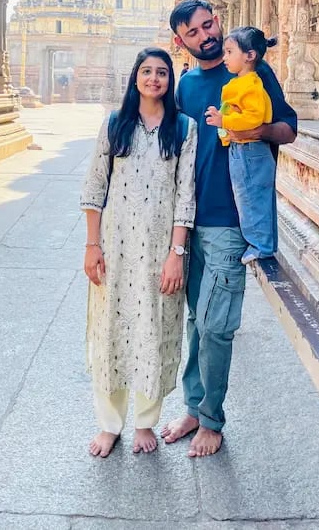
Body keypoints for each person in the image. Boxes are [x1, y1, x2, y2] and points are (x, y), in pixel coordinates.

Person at [161, 0, 297, 457]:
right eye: (194, 32)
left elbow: (288, 130)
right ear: (182, 42)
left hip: (229, 218)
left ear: (218, 22)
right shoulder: (185, 87)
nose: (206, 35)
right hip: (188, 220)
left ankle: (212, 420)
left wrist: (251, 131)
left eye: (209, 24)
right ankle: (195, 408)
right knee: (197, 320)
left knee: (217, 324)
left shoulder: (252, 75)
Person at [81, 47, 197, 458]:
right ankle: (109, 424)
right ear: (135, 78)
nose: (154, 79)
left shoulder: (184, 129)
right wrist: (93, 246)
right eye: (146, 72)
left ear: (170, 81)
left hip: (158, 251)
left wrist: (176, 253)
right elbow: (96, 188)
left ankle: (145, 421)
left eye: (162, 72)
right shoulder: (115, 124)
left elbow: (186, 195)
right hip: (116, 247)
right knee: (110, 329)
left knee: (154, 329)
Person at [204, 26, 278, 265]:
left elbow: (254, 118)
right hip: (241, 149)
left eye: (229, 52)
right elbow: (235, 111)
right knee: (248, 197)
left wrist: (224, 120)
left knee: (251, 198)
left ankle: (261, 246)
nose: (224, 57)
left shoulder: (251, 85)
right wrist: (222, 117)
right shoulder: (239, 83)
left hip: (250, 150)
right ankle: (261, 243)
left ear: (249, 56)